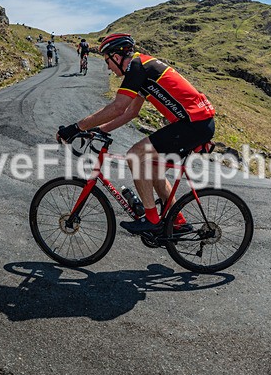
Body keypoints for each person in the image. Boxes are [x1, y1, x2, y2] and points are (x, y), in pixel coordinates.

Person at [56, 33, 216, 234]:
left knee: (135, 154)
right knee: (153, 170)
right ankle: (179, 223)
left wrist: (77, 128)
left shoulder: (137, 67)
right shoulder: (143, 68)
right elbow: (132, 112)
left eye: (108, 61)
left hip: (194, 124)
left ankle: (151, 219)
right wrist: (99, 130)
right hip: (196, 124)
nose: (108, 68)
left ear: (118, 55)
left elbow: (117, 108)